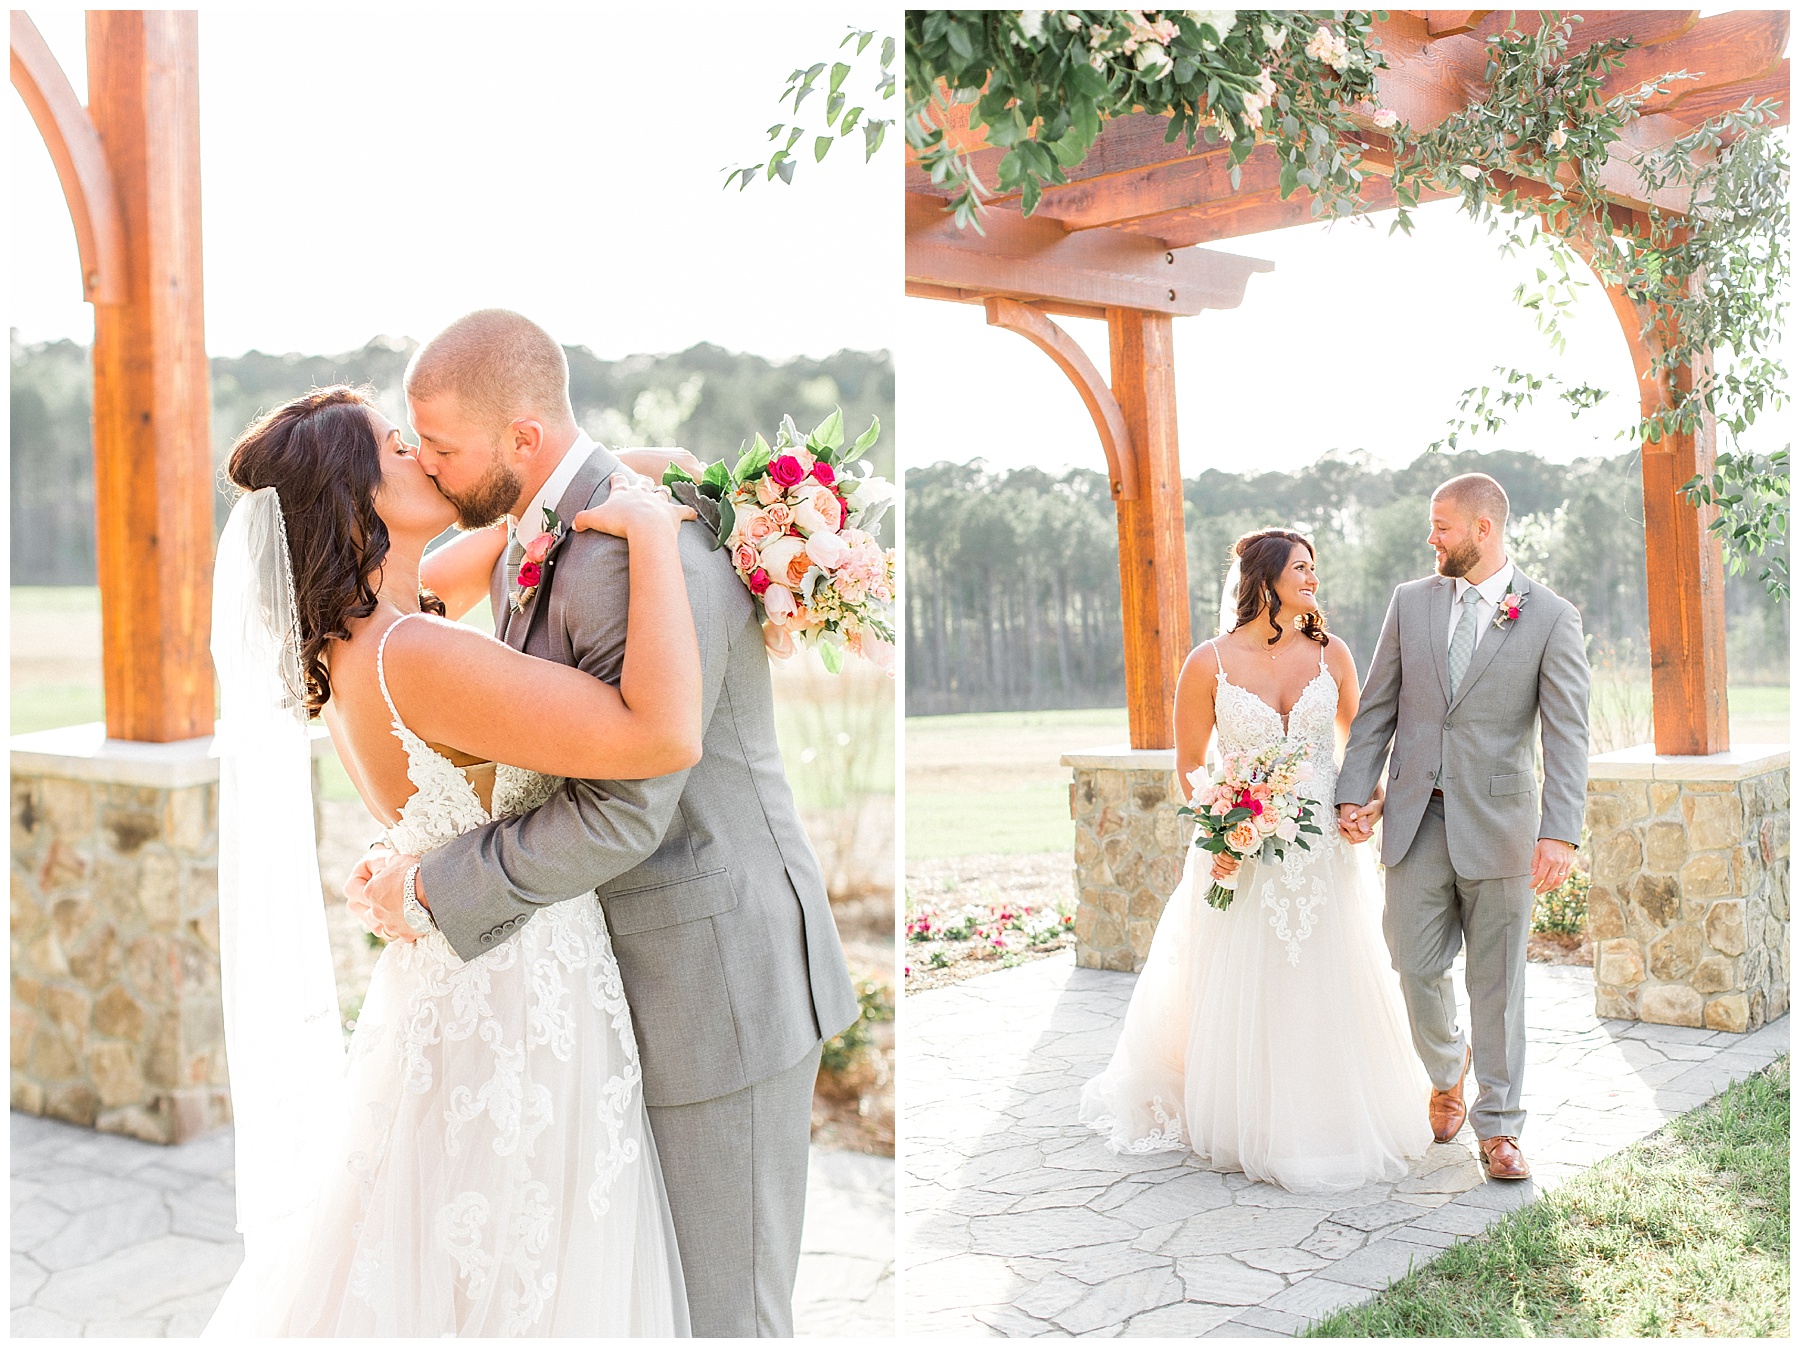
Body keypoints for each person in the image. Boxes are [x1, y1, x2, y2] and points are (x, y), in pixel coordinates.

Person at [350, 309, 860, 1336]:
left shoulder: (629, 551)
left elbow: (625, 811)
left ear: (523, 440)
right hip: (633, 986)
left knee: (728, 1314)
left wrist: (434, 883)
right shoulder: (541, 536)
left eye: (443, 448)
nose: (435, 473)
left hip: (719, 978)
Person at [207, 383, 702, 1335]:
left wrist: (634, 475)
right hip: (517, 987)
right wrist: (649, 539)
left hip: (456, 973)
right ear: (357, 495)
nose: (425, 452)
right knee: (519, 1271)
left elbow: (542, 514)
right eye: (399, 448)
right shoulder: (418, 649)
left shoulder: (371, 630)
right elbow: (660, 732)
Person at [1079, 529, 1432, 1193]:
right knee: (1253, 979)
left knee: (1324, 972)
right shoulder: (1208, 663)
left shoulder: (1333, 655)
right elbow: (1188, 764)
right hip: (1242, 850)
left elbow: (1365, 747)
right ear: (1265, 580)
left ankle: (1329, 1108)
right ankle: (1255, 1115)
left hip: (1322, 850)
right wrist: (1223, 809)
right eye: (1302, 568)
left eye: (1314, 569)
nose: (1313, 580)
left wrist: (1370, 803)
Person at [1337, 474, 1589, 1182]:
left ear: (1484, 529)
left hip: (1505, 823)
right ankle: (1449, 1070)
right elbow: (1378, 709)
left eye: (1442, 525)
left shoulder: (1549, 617)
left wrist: (1560, 831)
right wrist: (1353, 793)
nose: (1432, 538)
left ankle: (1499, 1128)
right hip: (1417, 818)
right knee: (1412, 961)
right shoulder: (1410, 604)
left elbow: (1567, 735)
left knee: (1498, 982)